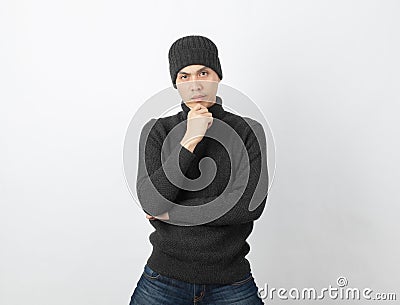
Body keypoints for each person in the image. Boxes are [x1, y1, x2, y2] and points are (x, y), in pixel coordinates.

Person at [129, 35, 268, 305]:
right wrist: (190, 139)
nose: (195, 84)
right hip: (164, 278)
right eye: (184, 76)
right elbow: (151, 201)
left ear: (217, 76)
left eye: (203, 72)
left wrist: (172, 213)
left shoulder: (248, 130)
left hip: (232, 279)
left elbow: (249, 206)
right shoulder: (157, 130)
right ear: (176, 84)